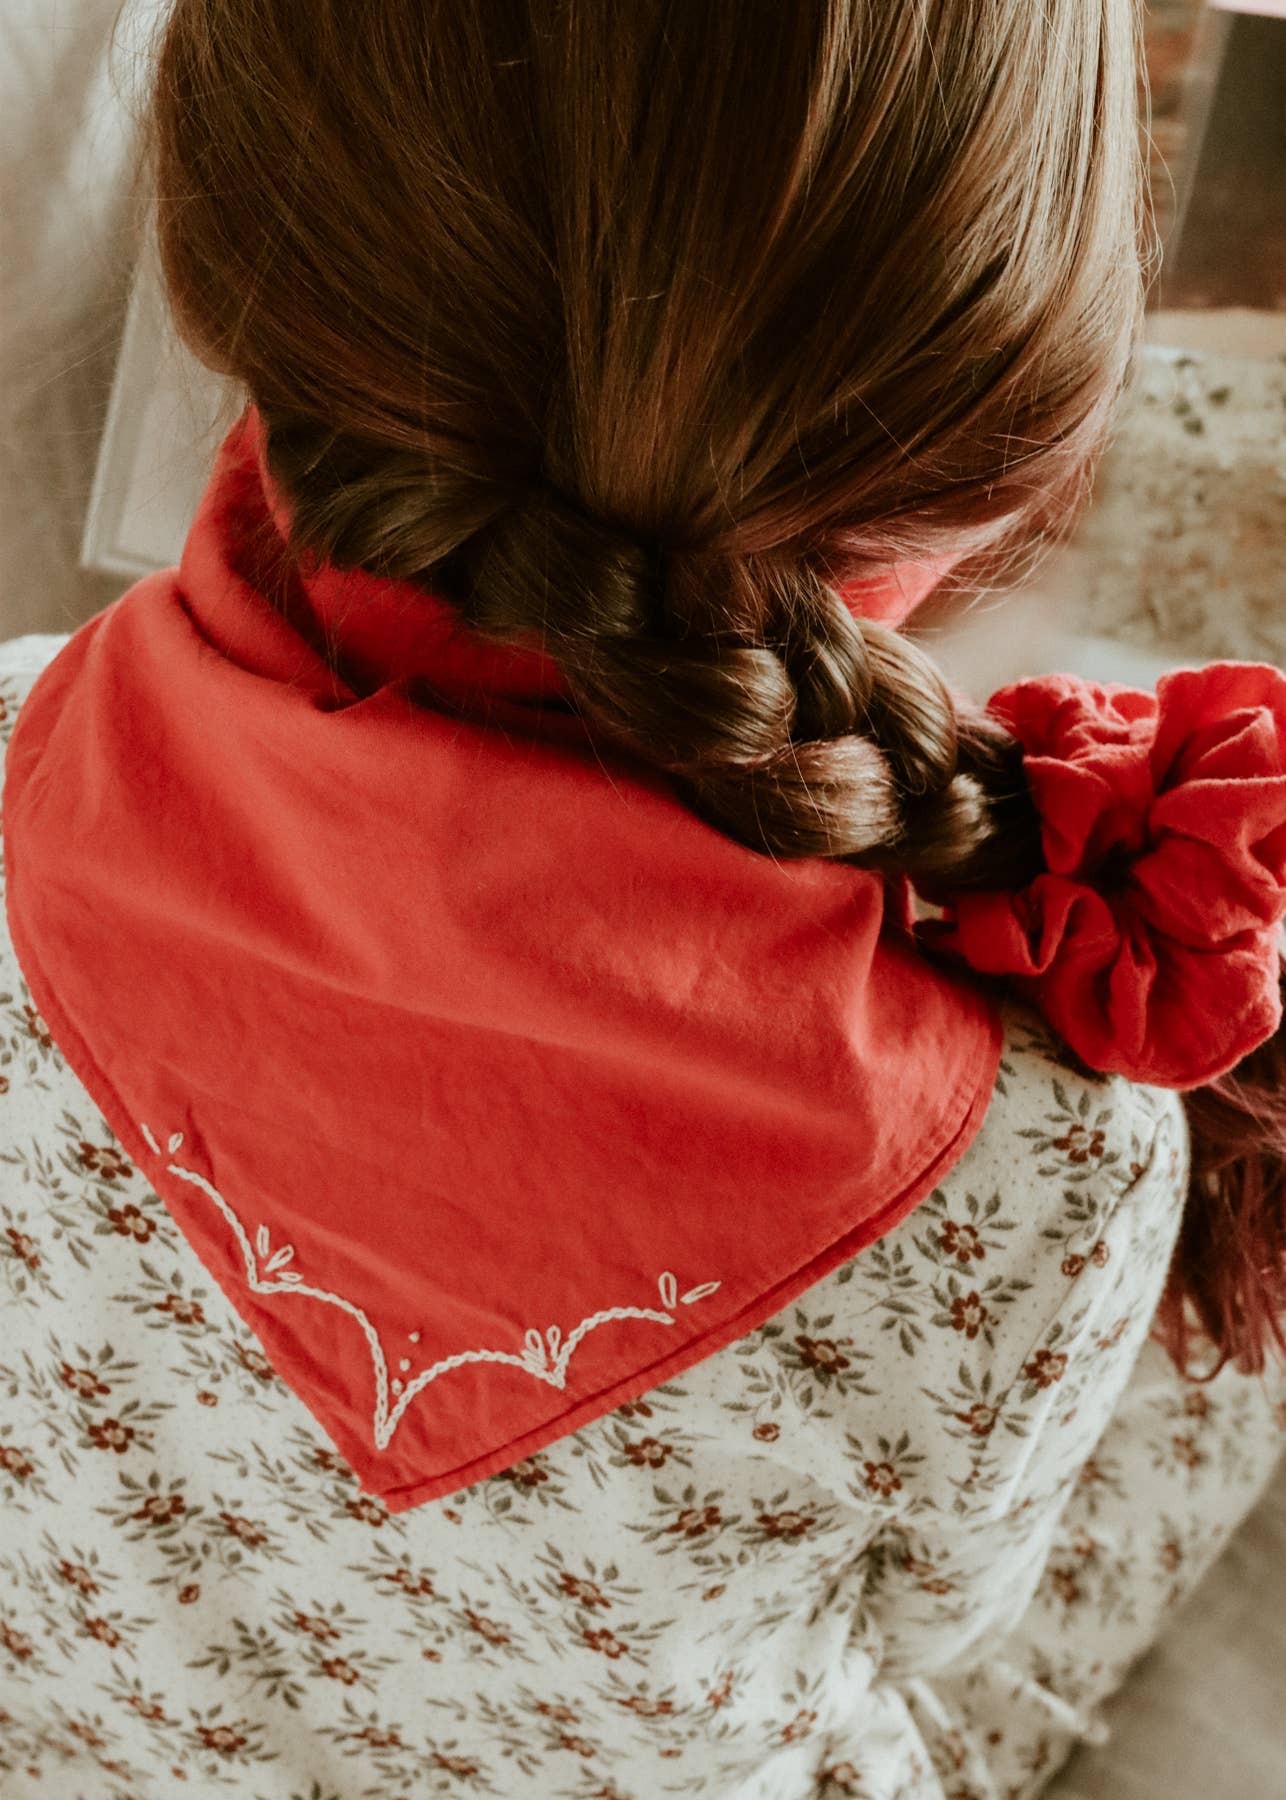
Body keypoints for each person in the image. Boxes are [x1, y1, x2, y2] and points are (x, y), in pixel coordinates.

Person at [1, 4, 1284, 1797]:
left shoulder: (10, 750)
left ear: (230, 245)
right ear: (1002, 422)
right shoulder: (1047, 1161)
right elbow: (939, 1627)